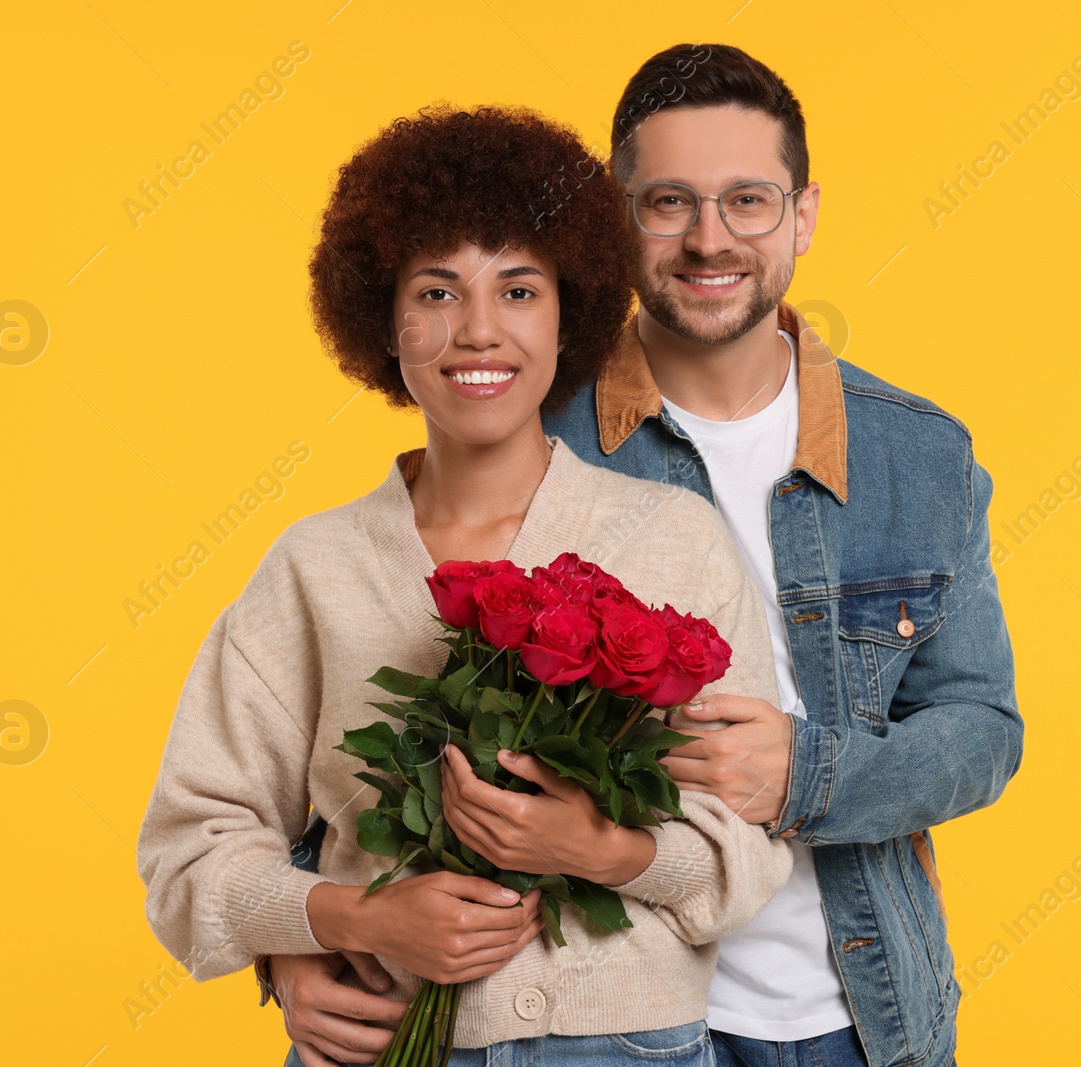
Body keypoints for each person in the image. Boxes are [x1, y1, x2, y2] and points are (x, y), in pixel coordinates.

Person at [271, 44, 1022, 1067]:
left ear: (801, 214)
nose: (708, 240)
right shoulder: (530, 425)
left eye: (747, 201)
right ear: (616, 222)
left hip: (860, 1010)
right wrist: (304, 940)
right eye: (668, 201)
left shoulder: (919, 455)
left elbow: (981, 730)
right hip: (597, 1016)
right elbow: (370, 710)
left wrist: (807, 771)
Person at [134, 103, 792, 1067]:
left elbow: (742, 846)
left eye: (519, 290)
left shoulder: (674, 540)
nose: (479, 331)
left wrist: (603, 852)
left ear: (572, 309)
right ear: (382, 318)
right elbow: (191, 849)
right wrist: (347, 918)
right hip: (381, 1043)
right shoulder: (315, 566)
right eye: (437, 293)